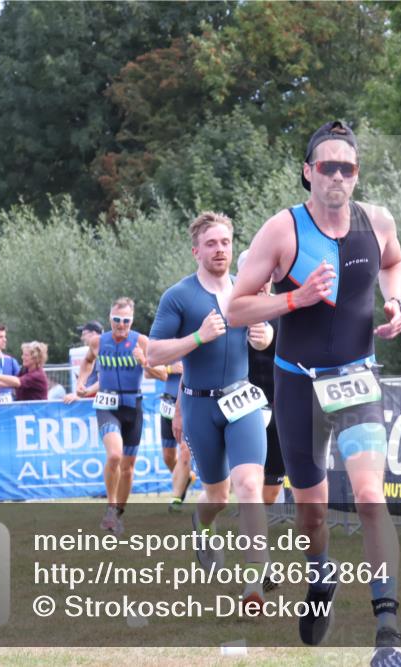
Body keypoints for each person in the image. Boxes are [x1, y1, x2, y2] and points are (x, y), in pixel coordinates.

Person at [227, 120, 401, 663]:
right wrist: (293, 300)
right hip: (298, 385)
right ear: (308, 172)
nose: (336, 176)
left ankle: (388, 631)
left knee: (372, 497)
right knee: (312, 517)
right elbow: (236, 308)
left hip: (358, 381)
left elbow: (394, 263)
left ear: (356, 175)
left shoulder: (376, 222)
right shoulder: (282, 231)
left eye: (346, 168)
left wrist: (395, 302)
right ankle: (320, 574)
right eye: (325, 166)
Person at [148, 211, 272, 611]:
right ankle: (201, 526)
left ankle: (254, 581)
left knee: (250, 485)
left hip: (242, 400)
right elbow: (154, 352)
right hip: (200, 403)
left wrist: (264, 335)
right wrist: (197, 337)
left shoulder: (246, 291)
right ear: (196, 251)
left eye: (225, 242)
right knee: (216, 495)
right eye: (212, 244)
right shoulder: (179, 296)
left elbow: (266, 338)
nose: (220, 250)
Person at [77, 297, 167, 536]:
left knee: (127, 467)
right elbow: (87, 362)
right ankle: (109, 507)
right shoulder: (98, 342)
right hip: (106, 404)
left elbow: (163, 374)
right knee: (115, 455)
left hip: (132, 406)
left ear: (132, 320)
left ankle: (117, 514)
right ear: (110, 319)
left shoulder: (142, 341)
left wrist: (144, 362)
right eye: (116, 320)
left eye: (126, 321)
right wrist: (81, 381)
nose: (121, 325)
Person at [237, 249, 286, 507]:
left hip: (279, 406)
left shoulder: (285, 308)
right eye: (255, 273)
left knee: (269, 492)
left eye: (267, 274)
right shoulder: (229, 310)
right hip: (242, 406)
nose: (262, 280)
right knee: (249, 482)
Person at [158, 359, 196, 513]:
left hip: (188, 404)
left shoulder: (197, 339)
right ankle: (185, 477)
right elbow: (148, 370)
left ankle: (176, 498)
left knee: (185, 451)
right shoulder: (167, 340)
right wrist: (168, 369)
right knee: (168, 456)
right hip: (167, 405)